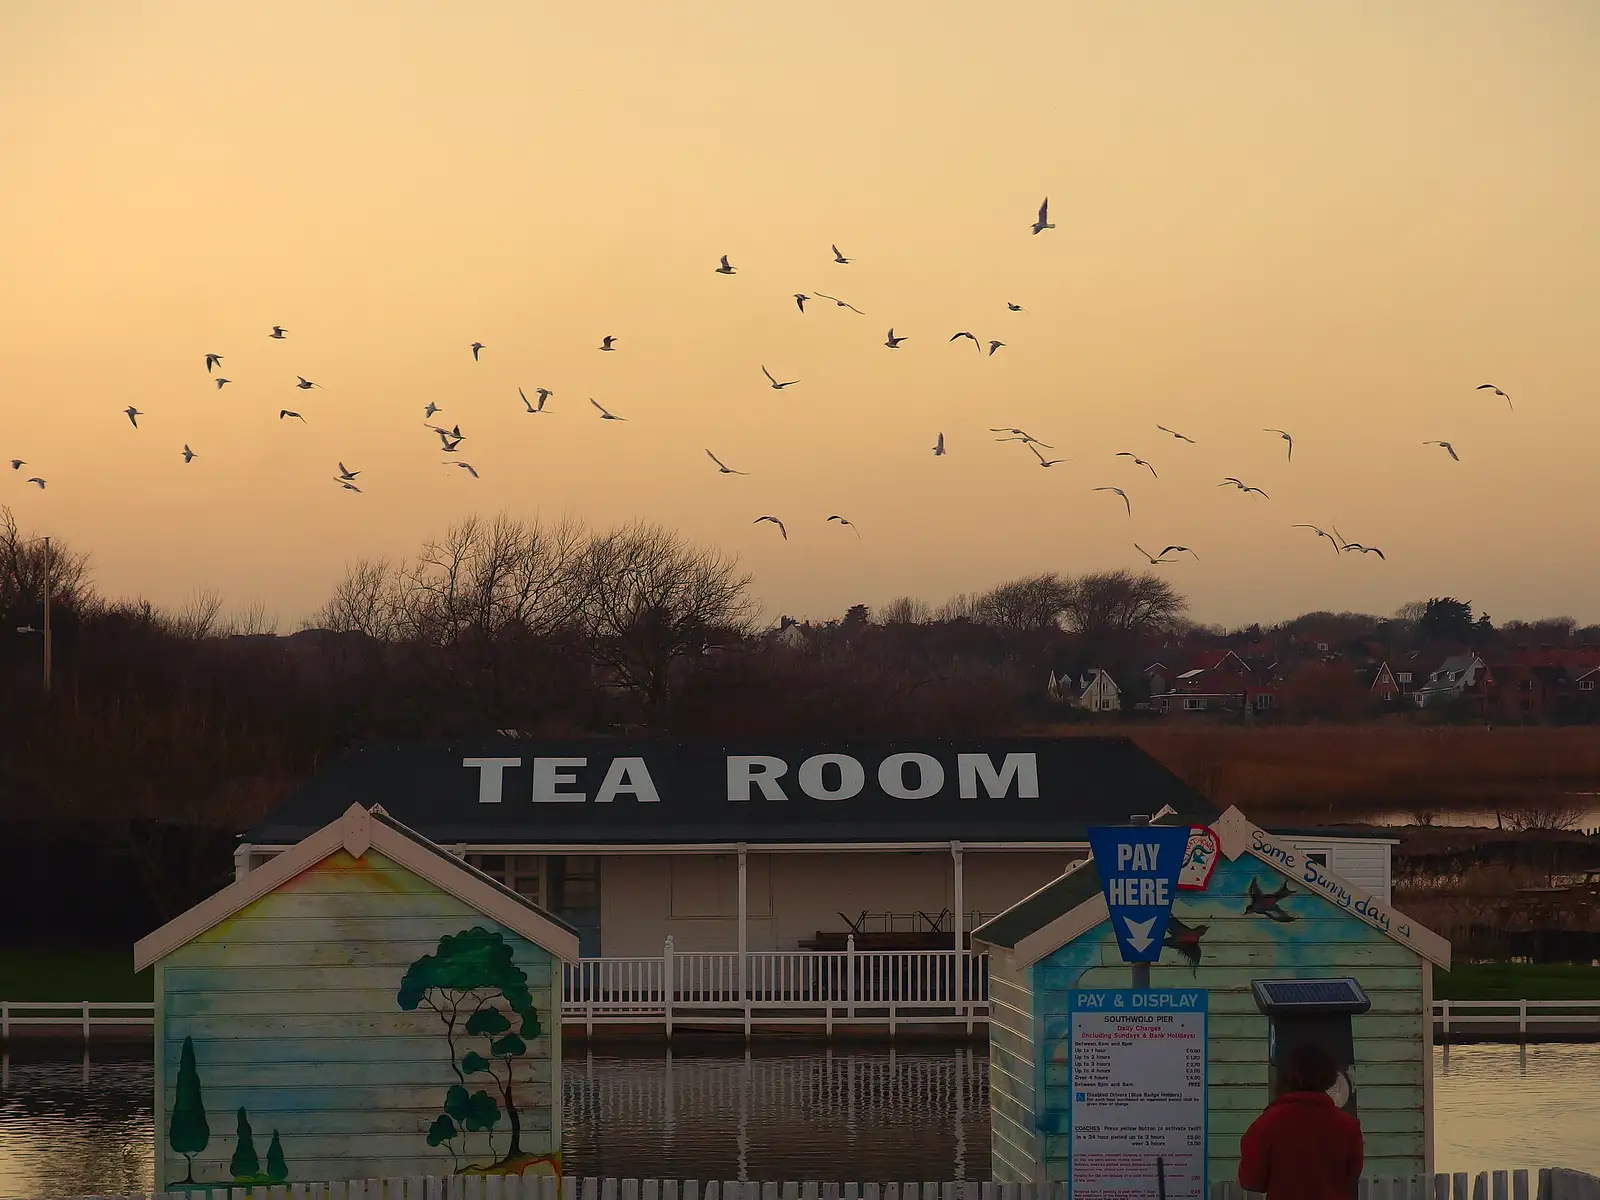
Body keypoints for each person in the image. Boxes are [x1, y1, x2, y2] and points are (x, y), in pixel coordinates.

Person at [1238, 1042, 1364, 1200]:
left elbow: (1252, 1181)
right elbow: (1351, 1175)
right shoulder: (1348, 1125)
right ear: (1331, 1076)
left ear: (1283, 1076)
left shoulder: (1266, 1124)